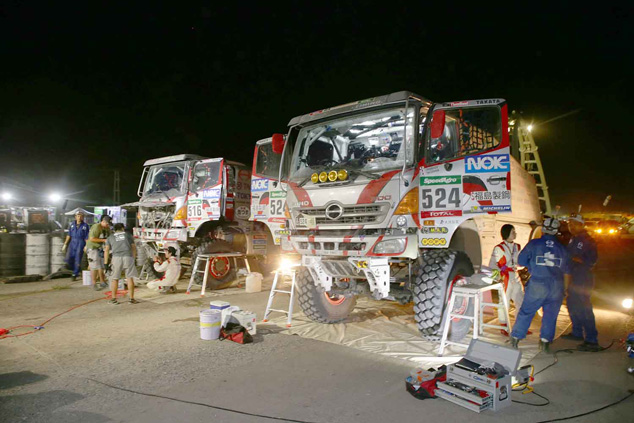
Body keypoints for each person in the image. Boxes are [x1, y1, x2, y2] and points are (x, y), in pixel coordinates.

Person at [510, 218, 572, 353]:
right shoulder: (563, 249)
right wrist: (565, 289)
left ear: (543, 229)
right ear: (556, 231)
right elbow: (567, 272)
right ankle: (545, 342)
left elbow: (521, 261)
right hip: (556, 285)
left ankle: (516, 338)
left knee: (527, 311)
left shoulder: (534, 244)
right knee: (550, 314)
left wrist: (534, 265)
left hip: (538, 283)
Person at [563, 215, 600, 351]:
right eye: (569, 224)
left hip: (583, 278)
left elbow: (592, 261)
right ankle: (577, 332)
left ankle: (591, 340)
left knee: (584, 307)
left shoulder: (587, 240)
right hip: (574, 277)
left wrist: (575, 259)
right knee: (572, 304)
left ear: (581, 225)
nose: (571, 227)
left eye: (574, 224)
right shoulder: (574, 238)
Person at [489, 224, 528, 336]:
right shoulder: (499, 248)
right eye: (512, 232)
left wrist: (520, 266)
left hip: (515, 275)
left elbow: (521, 261)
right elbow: (501, 265)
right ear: (506, 234)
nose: (515, 234)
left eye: (515, 231)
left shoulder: (518, 247)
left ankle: (520, 326)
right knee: (504, 301)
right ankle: (504, 326)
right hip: (504, 276)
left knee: (520, 299)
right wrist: (515, 266)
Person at [104, 223, 138, 304]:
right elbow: (133, 247)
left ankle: (114, 299)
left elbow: (106, 250)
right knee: (129, 278)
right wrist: (134, 258)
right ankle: (131, 298)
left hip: (116, 258)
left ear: (114, 229)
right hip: (128, 257)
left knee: (115, 279)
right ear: (123, 228)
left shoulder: (110, 237)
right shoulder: (128, 235)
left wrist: (105, 263)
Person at [86, 215, 112, 290]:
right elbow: (92, 239)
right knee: (94, 266)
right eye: (107, 224)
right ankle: (93, 283)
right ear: (103, 221)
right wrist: (104, 240)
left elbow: (109, 236)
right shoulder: (96, 227)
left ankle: (102, 281)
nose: (108, 226)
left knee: (101, 266)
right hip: (93, 248)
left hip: (100, 248)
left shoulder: (106, 228)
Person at [62, 210, 90, 281]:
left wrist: (86, 245)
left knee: (77, 258)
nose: (79, 217)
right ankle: (76, 270)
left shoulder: (85, 226)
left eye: (81, 216)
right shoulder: (72, 225)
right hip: (72, 242)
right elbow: (69, 235)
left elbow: (87, 237)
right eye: (78, 216)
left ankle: (75, 274)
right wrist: (65, 244)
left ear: (83, 217)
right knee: (68, 258)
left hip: (80, 242)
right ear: (75, 217)